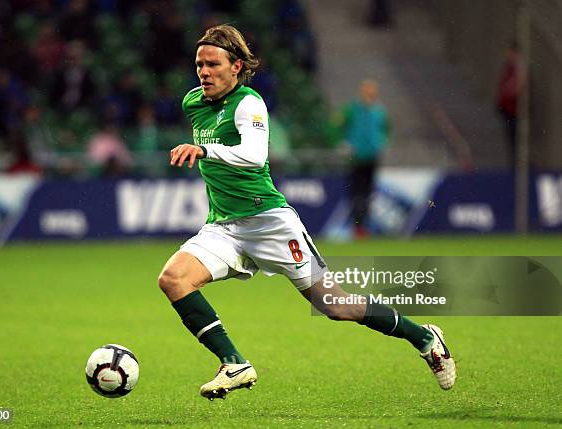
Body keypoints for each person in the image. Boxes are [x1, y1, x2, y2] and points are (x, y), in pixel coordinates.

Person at [158, 25, 456, 401]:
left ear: (236, 66)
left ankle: (425, 336)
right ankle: (234, 362)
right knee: (173, 278)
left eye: (212, 64)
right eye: (199, 64)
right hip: (224, 226)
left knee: (335, 305)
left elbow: (254, 157)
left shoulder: (249, 103)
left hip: (269, 222)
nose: (203, 72)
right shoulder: (193, 103)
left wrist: (205, 151)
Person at [337, 79, 389, 237]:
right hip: (356, 158)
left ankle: (363, 226)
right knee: (356, 194)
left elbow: (387, 130)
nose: (370, 94)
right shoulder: (352, 109)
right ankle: (357, 227)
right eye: (367, 91)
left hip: (372, 157)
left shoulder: (379, 111)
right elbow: (334, 127)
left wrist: (381, 142)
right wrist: (342, 142)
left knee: (367, 194)